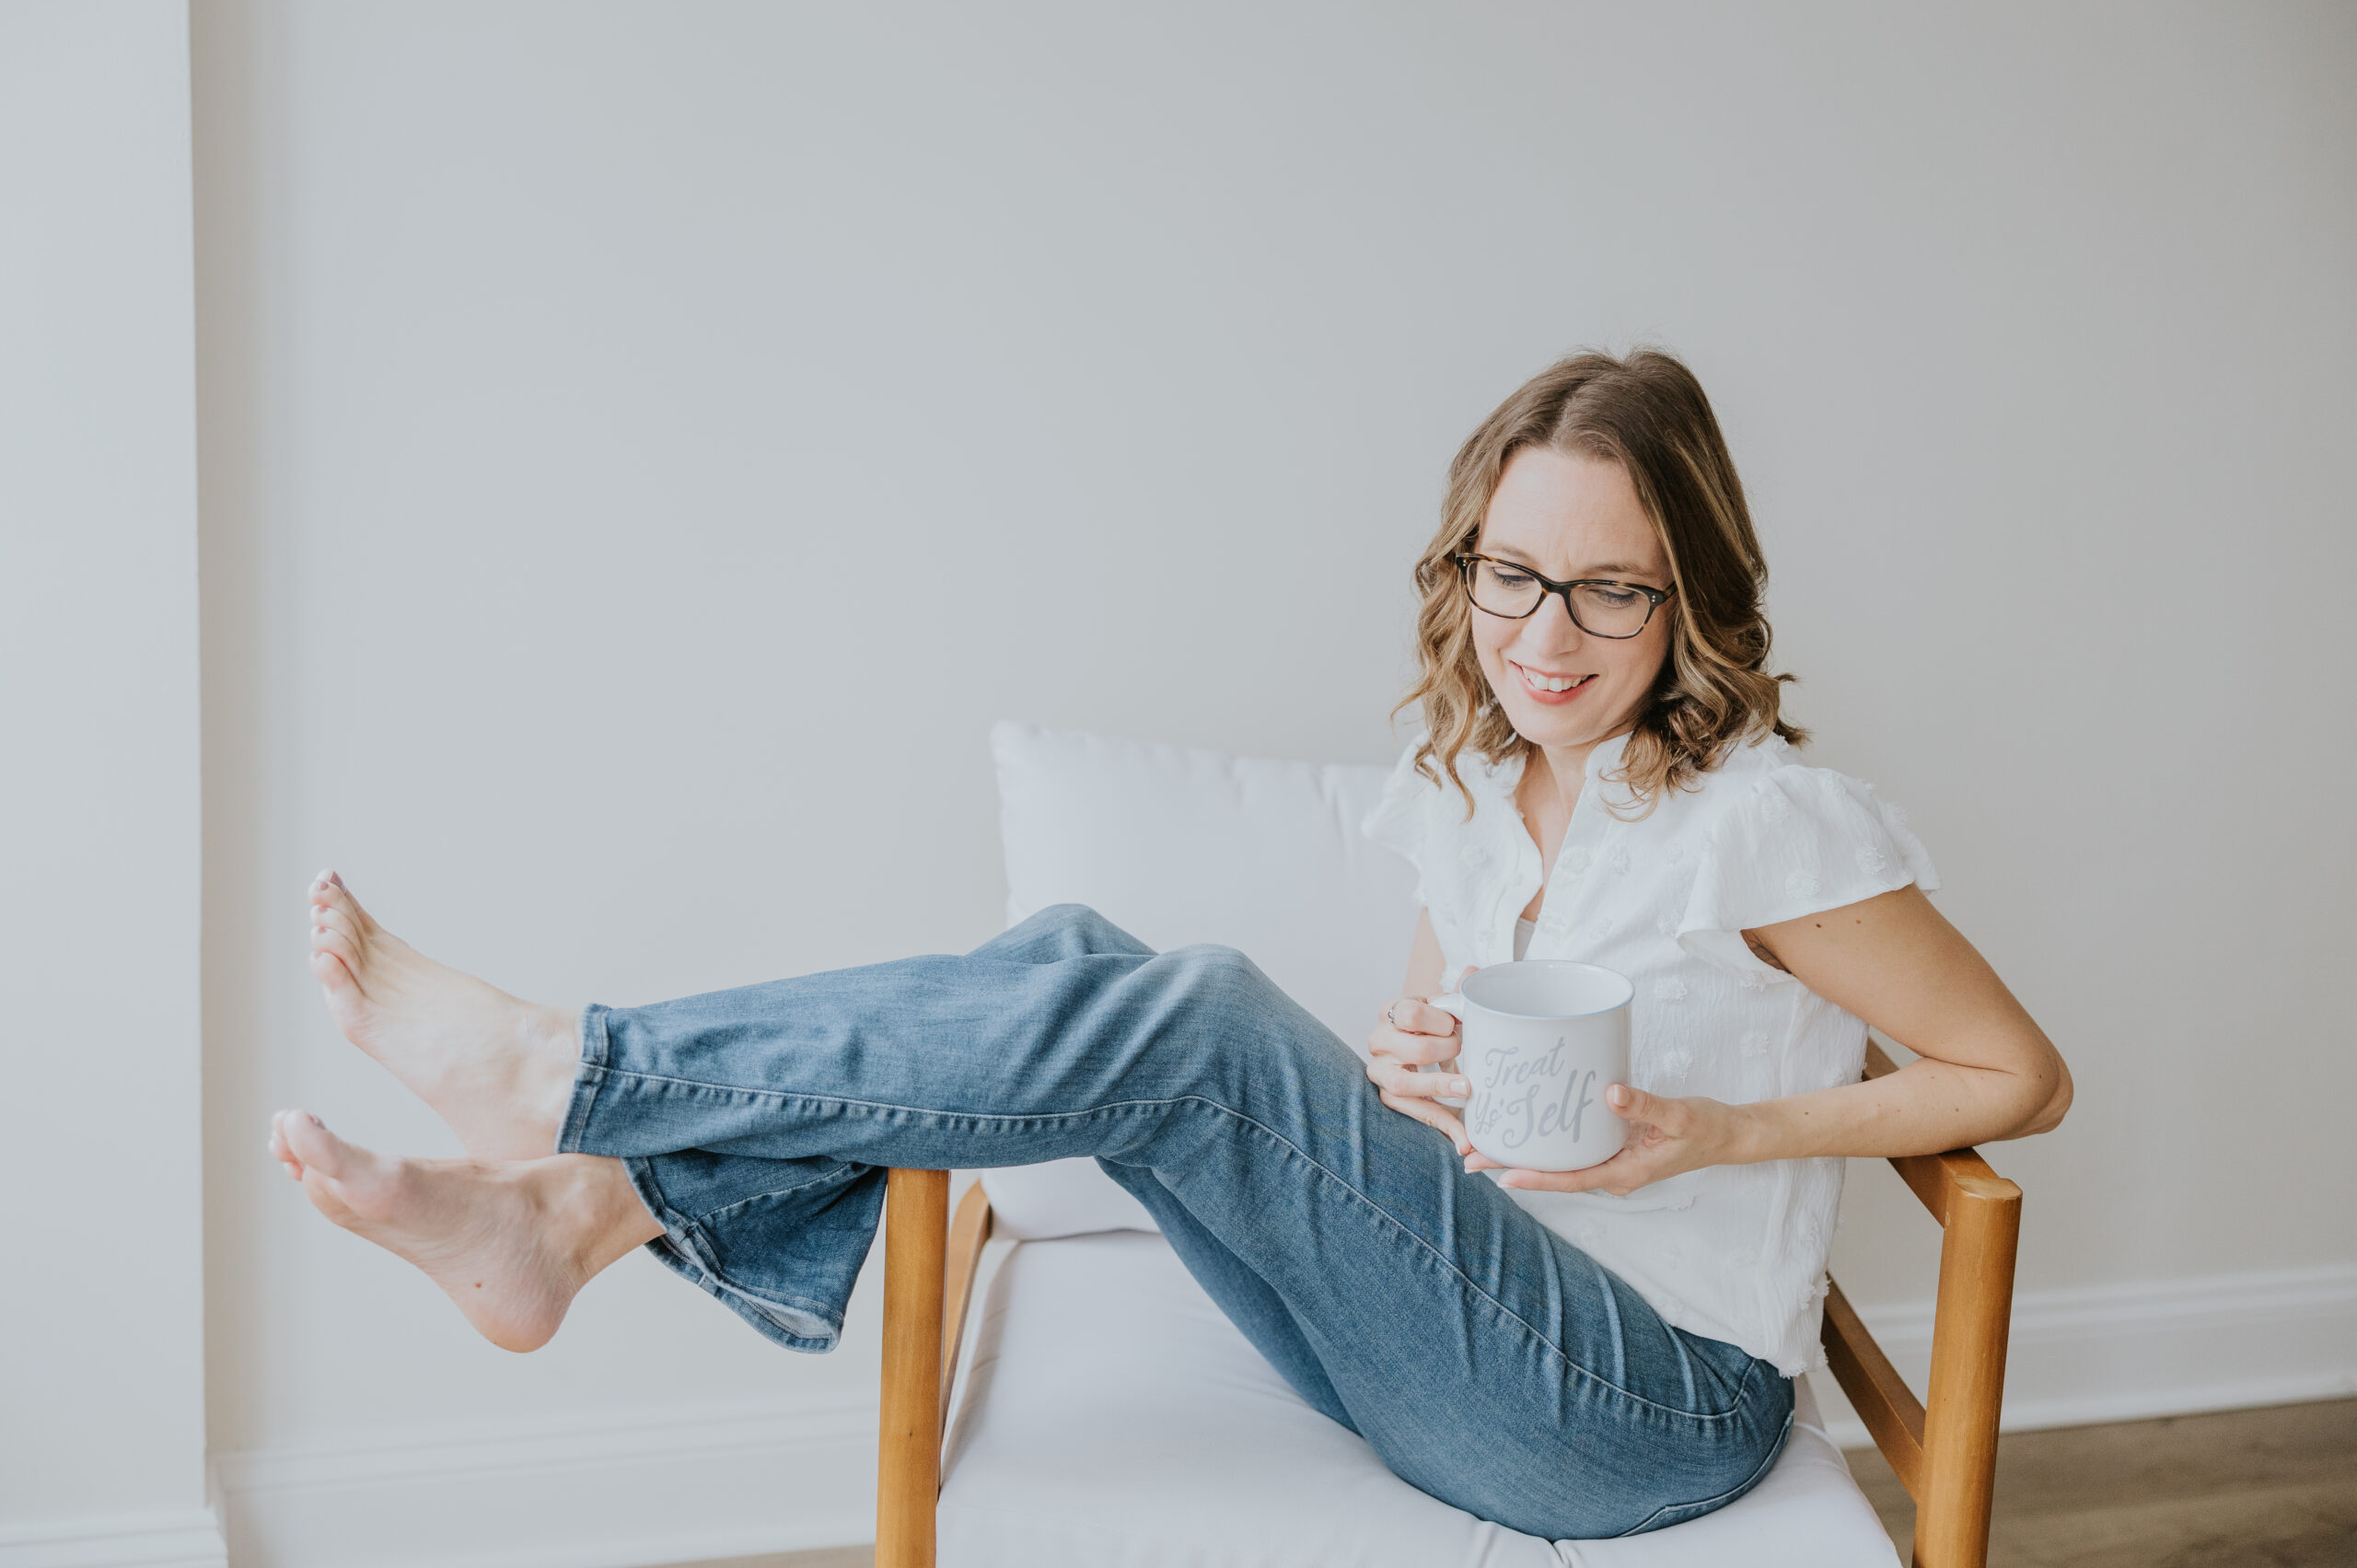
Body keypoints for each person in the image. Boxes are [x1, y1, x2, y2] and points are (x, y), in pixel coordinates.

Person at [268, 348, 2071, 1540]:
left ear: (1688, 596)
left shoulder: (1766, 820)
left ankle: (576, 1090)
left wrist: (1717, 1127)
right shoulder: (1469, 789)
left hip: (1642, 1401)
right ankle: (582, 1208)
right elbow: (1430, 1076)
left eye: (1609, 584)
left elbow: (2014, 1074)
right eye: (1509, 571)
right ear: (1463, 568)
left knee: (1188, 1016)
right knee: (1083, 963)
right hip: (1444, 1335)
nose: (1547, 627)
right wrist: (1407, 1072)